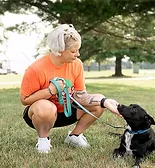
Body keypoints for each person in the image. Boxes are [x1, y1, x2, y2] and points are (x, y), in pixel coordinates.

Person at [20, 24, 121, 153]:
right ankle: (43, 139)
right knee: (47, 107)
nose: (77, 54)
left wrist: (103, 101)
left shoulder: (76, 64)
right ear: (59, 50)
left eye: (78, 50)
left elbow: (81, 95)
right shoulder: (36, 69)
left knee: (98, 101)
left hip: (68, 112)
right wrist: (50, 91)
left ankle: (74, 136)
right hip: (42, 114)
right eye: (73, 51)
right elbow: (25, 100)